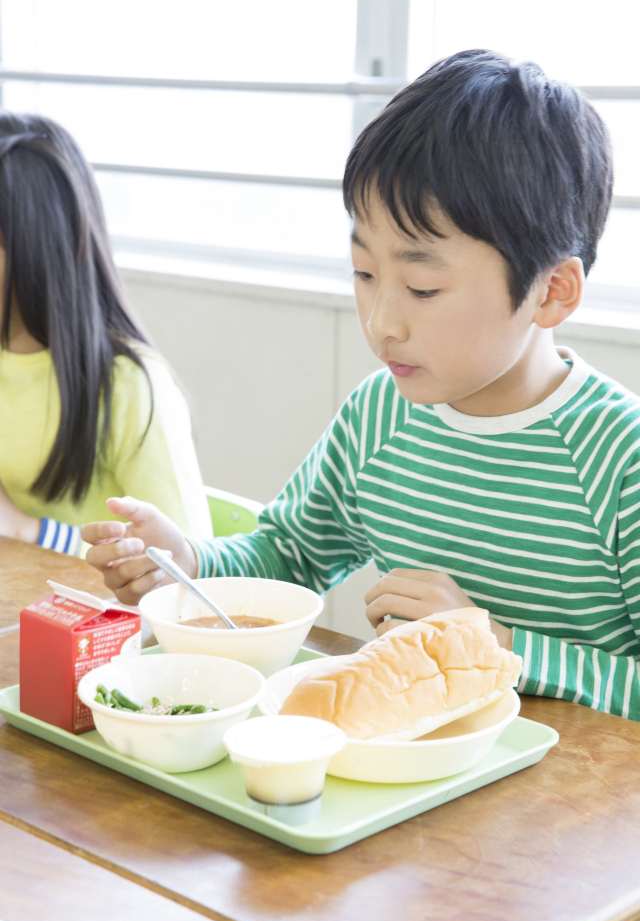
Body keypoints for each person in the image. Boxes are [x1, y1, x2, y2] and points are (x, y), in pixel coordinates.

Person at [83, 50, 640, 721]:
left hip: (579, 812)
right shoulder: (379, 416)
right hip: (412, 789)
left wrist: (497, 647)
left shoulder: (619, 458)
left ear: (552, 292)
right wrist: (190, 561)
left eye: (423, 287)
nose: (381, 324)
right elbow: (287, 554)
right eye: (363, 272)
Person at [0, 112, 212, 553]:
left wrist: (27, 531)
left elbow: (182, 576)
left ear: (35, 247)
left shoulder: (131, 386)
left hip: (106, 620)